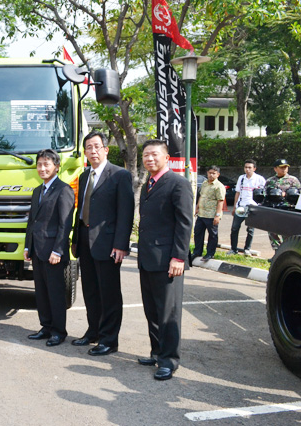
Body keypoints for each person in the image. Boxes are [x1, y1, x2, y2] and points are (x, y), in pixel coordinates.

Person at [70, 131, 134, 356]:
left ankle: (109, 339)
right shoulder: (84, 175)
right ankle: (93, 331)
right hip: (86, 241)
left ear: (106, 150)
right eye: (89, 147)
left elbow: (125, 213)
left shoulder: (119, 175)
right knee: (90, 290)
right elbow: (81, 211)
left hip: (108, 245)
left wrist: (120, 245)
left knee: (109, 293)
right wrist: (76, 240)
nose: (93, 151)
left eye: (97, 146)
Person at [137, 139, 193, 381]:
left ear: (166, 157)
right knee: (152, 310)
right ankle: (157, 352)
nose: (150, 159)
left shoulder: (178, 184)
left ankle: (169, 360)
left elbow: (184, 223)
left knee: (168, 313)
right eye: (146, 155)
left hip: (168, 260)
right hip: (148, 258)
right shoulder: (147, 184)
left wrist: (178, 257)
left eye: (155, 155)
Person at [24, 149, 75, 347]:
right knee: (41, 292)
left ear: (56, 166)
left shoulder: (64, 190)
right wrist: (28, 246)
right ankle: (46, 327)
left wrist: (58, 251)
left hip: (53, 251)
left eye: (47, 164)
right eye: (39, 165)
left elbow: (65, 223)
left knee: (55, 293)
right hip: (37, 249)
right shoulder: (38, 190)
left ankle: (58, 331)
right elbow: (32, 222)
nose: (42, 168)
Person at [265, 159, 301, 254]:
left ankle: (288, 252)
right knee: (273, 232)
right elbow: (266, 195)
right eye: (281, 167)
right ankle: (277, 253)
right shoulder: (270, 181)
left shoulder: (293, 180)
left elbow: (300, 195)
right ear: (275, 169)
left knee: (288, 232)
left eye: (286, 167)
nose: (284, 169)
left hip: (289, 209)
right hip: (275, 209)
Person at [229, 159, 265, 256]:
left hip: (253, 208)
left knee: (250, 229)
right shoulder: (241, 178)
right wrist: (234, 206)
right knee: (234, 228)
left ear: (254, 168)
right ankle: (233, 249)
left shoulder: (260, 179)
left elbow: (263, 195)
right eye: (246, 167)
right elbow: (237, 192)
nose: (247, 169)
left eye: (250, 167)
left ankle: (247, 249)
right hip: (241, 207)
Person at [190, 165, 225, 262]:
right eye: (210, 173)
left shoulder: (219, 186)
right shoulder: (205, 183)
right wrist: (196, 208)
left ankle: (210, 253)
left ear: (218, 174)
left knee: (212, 235)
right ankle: (197, 251)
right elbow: (201, 196)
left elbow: (220, 201)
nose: (211, 175)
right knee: (198, 233)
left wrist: (217, 215)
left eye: (214, 173)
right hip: (202, 214)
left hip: (211, 215)